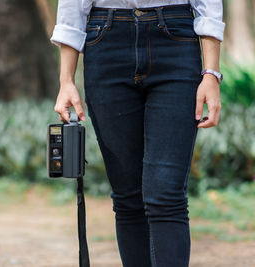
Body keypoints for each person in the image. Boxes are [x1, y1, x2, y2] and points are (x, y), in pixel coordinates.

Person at [50, 0, 225, 266]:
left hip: (175, 39)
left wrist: (211, 73)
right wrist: (66, 80)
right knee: (128, 197)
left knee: (166, 194)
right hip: (105, 41)